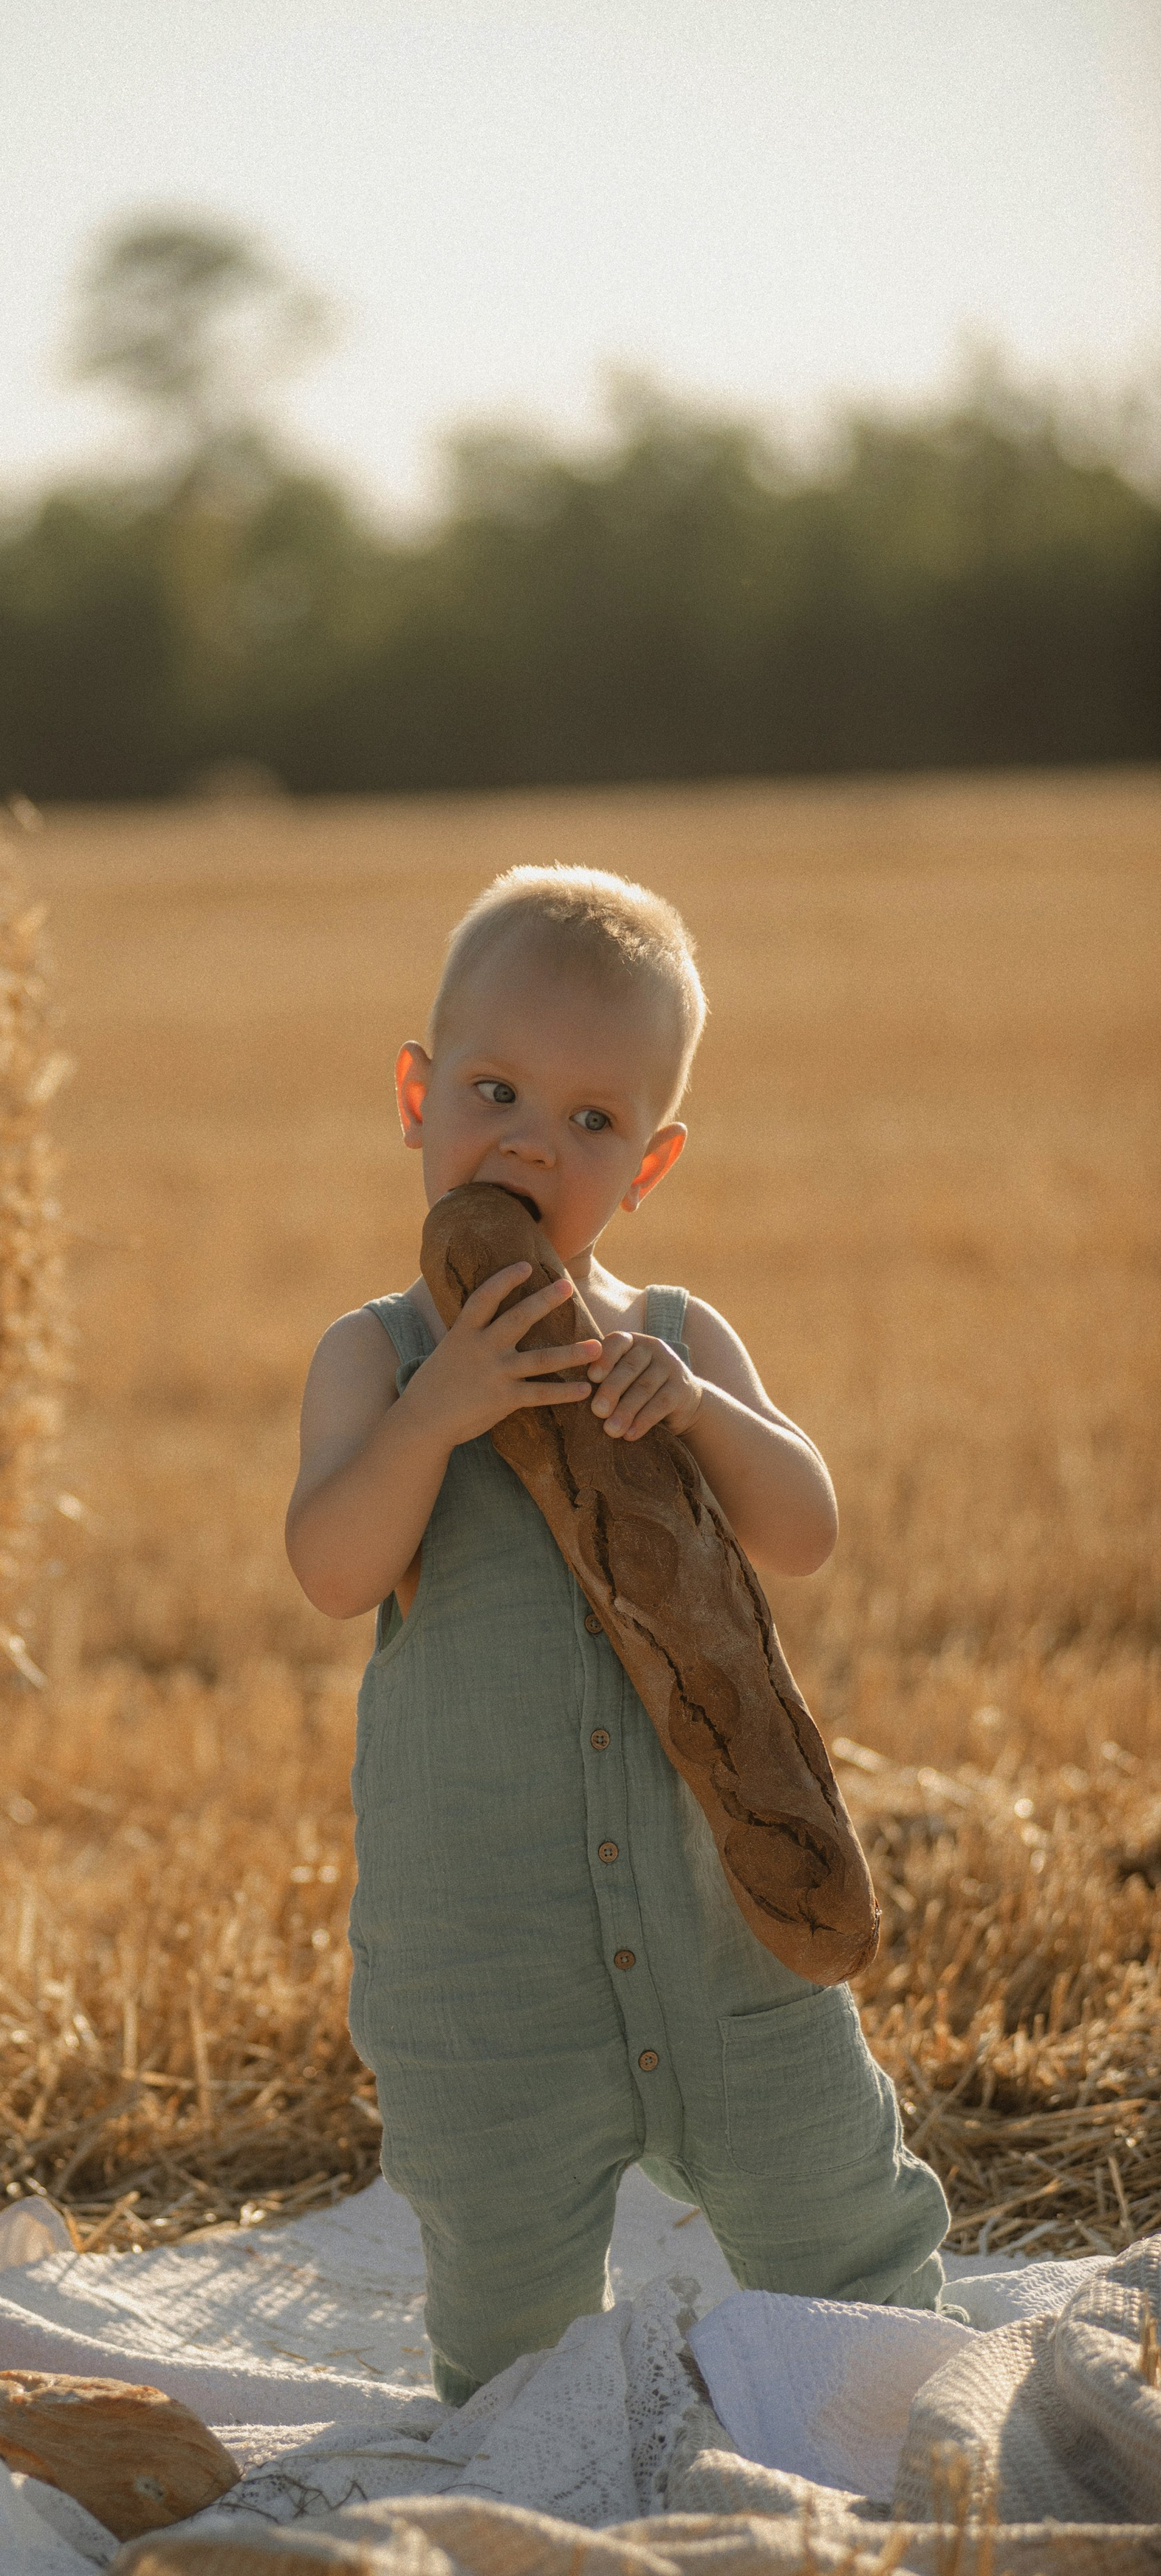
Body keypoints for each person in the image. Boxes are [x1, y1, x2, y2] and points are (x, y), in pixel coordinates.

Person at [284, 865, 949, 2405]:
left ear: (645, 1163)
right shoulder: (374, 1357)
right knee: (509, 2313)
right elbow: (331, 1565)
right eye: (495, 1090)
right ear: (415, 1094)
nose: (528, 1139)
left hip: (725, 1932)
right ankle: (531, 2452)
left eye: (589, 1122)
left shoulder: (671, 1339)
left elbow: (805, 1527)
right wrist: (433, 1416)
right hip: (487, 1951)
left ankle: (891, 2422)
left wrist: (704, 1416)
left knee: (835, 2215)